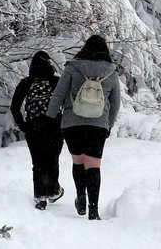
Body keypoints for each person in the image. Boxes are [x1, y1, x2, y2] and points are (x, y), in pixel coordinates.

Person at [46, 35, 121, 220]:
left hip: (73, 122)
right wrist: (108, 124)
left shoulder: (72, 68)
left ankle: (81, 196)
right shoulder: (111, 72)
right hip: (98, 125)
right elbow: (116, 102)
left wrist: (50, 117)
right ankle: (93, 210)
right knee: (93, 165)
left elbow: (58, 94)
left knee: (78, 161)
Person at [10, 51, 65, 210]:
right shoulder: (56, 82)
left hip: (34, 127)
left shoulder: (26, 82)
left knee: (38, 162)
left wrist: (24, 126)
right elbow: (68, 103)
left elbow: (14, 107)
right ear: (49, 64)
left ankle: (40, 197)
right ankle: (54, 191)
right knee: (52, 160)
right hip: (54, 126)